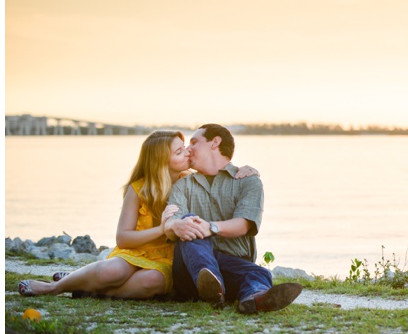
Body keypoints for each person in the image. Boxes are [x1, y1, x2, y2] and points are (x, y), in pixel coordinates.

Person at [18, 130, 257, 299]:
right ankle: (54, 288)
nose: (187, 154)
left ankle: (84, 287)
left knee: (151, 281)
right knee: (113, 271)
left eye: (186, 148)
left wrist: (245, 170)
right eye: (179, 151)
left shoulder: (189, 183)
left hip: (169, 258)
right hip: (136, 250)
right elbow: (123, 239)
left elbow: (217, 173)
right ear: (161, 160)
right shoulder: (138, 189)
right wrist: (162, 230)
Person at [164, 123, 302, 314]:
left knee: (259, 272)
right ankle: (211, 283)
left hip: (233, 266)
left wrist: (209, 227)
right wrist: (176, 224)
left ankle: (253, 299)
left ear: (215, 142)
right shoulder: (183, 185)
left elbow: (244, 224)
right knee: (188, 221)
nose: (188, 149)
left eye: (194, 142)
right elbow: (172, 220)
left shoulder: (248, 181)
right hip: (190, 269)